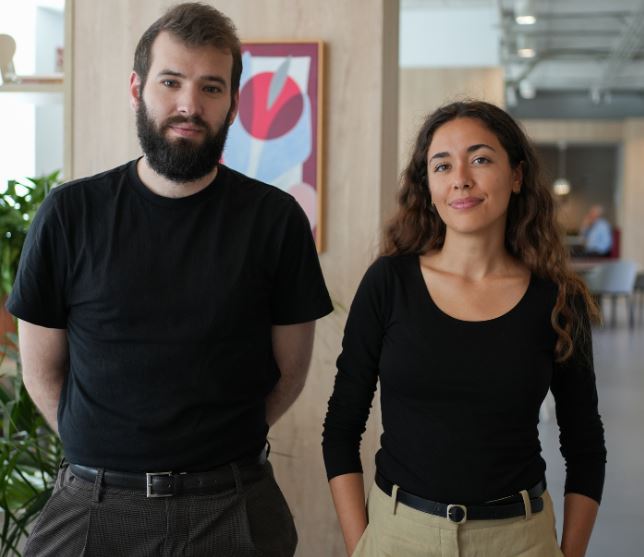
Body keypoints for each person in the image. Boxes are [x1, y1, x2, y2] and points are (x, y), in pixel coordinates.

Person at [7, 3, 332, 556]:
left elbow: (290, 372)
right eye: (171, 82)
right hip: (94, 505)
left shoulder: (275, 220)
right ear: (137, 89)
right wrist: (107, 454)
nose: (189, 105)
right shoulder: (68, 214)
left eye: (211, 88)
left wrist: (214, 450)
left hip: (233, 504)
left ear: (233, 103)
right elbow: (40, 371)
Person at [322, 101, 606, 557]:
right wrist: (363, 547)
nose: (460, 179)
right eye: (442, 165)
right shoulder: (389, 283)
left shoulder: (558, 299)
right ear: (428, 186)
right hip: (399, 537)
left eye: (480, 159)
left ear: (516, 176)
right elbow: (341, 426)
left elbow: (585, 443)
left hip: (519, 540)